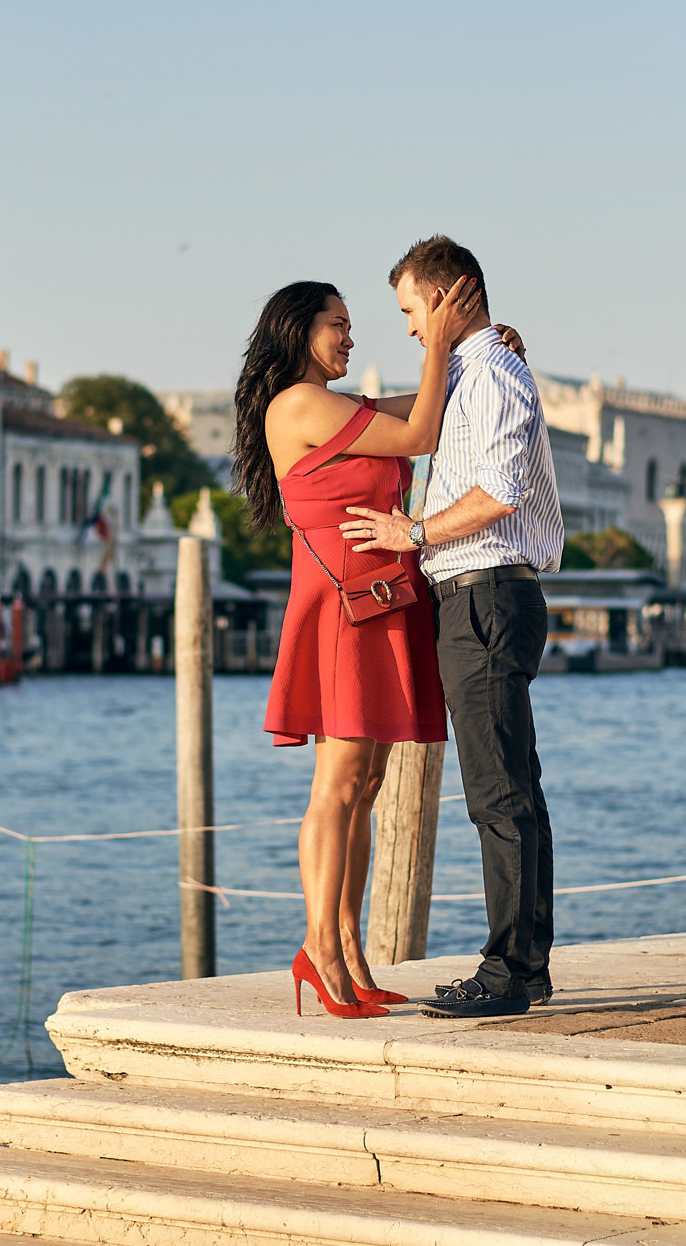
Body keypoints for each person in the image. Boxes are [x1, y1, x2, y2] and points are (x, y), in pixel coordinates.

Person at [240, 275, 484, 1019]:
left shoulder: (338, 406)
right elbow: (417, 437)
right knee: (339, 782)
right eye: (337, 324)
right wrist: (439, 341)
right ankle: (320, 950)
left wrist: (474, 353)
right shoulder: (298, 403)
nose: (350, 337)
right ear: (297, 329)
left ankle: (348, 947)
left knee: (368, 784)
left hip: (380, 597)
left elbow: (422, 412)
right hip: (344, 609)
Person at [341, 236, 563, 1019]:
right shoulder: (475, 370)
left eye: (410, 309)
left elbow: (499, 490)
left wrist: (416, 532)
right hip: (481, 598)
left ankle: (508, 972)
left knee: (499, 794)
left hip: (486, 596)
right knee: (513, 790)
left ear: (447, 294)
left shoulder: (494, 372)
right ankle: (522, 963)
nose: (406, 328)